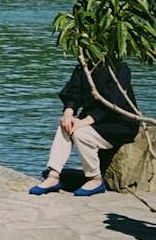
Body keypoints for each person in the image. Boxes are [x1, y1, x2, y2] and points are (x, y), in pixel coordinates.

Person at [29, 59, 139, 197]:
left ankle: (95, 179)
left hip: (120, 123)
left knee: (80, 132)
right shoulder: (84, 67)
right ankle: (53, 175)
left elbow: (114, 102)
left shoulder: (119, 68)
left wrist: (83, 122)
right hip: (93, 121)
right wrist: (68, 114)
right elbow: (74, 93)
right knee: (65, 126)